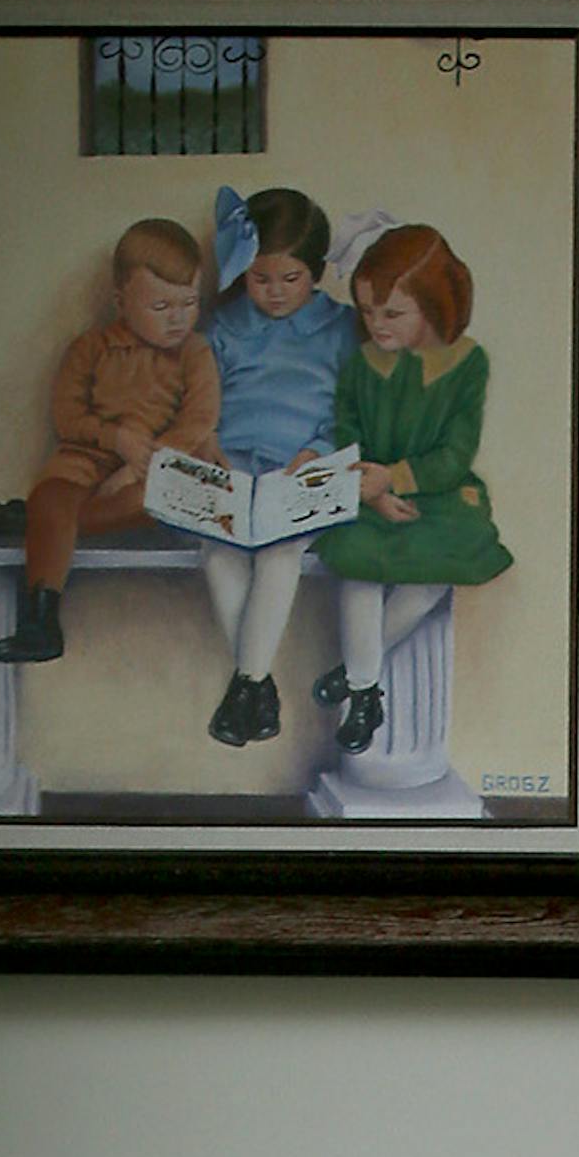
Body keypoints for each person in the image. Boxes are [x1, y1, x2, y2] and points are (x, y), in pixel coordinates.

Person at [309, 228, 514, 757]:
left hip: (438, 494)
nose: (376, 325)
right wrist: (372, 490)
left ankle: (356, 670)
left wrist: (396, 478)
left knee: (431, 576)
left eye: (392, 314)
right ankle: (364, 694)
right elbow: (345, 437)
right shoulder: (360, 365)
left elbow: (455, 454)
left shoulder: (469, 364)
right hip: (366, 493)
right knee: (356, 568)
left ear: (434, 305)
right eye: (368, 311)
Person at [0, 218, 219, 668]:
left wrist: (140, 464)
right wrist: (117, 440)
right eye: (160, 306)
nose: (177, 318)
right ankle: (41, 618)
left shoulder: (195, 353)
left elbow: (199, 419)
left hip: (162, 467)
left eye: (189, 303)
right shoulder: (90, 348)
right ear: (121, 301)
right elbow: (68, 416)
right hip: (87, 462)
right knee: (53, 496)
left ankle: (45, 523)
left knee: (167, 489)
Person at [199, 187, 359, 751]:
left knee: (280, 552)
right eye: (260, 279)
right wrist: (209, 445)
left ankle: (246, 686)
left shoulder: (339, 328)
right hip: (233, 467)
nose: (274, 293)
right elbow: (199, 400)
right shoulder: (222, 328)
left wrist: (319, 450)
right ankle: (257, 684)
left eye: (290, 280)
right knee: (218, 554)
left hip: (305, 471)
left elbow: (353, 407)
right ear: (242, 272)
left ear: (314, 274)